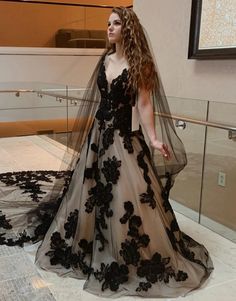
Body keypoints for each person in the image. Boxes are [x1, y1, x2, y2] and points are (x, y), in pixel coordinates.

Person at [0, 6, 213, 298]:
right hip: (99, 136)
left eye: (115, 23)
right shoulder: (105, 60)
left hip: (126, 139)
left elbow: (145, 104)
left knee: (129, 195)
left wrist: (152, 138)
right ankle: (90, 244)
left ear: (128, 28)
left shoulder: (141, 63)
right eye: (107, 23)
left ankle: (124, 248)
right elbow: (100, 99)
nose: (109, 28)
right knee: (88, 193)